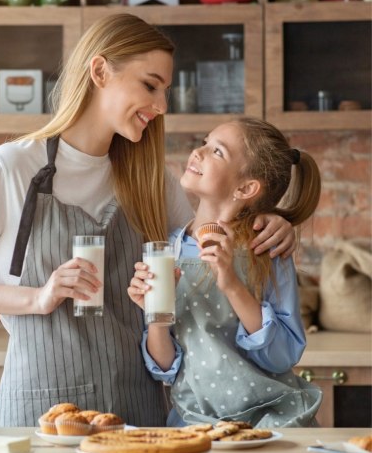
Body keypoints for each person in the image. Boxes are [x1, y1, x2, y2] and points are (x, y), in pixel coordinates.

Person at [0, 14, 296, 428]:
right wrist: (37, 297)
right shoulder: (12, 167)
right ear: (100, 71)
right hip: (40, 412)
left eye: (166, 91)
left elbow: (206, 251)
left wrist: (269, 221)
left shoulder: (152, 182)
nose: (161, 106)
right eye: (150, 85)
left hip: (135, 414)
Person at [128, 117, 323, 428]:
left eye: (217, 151)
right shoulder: (168, 251)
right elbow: (165, 367)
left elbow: (283, 356)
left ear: (245, 187)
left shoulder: (267, 251)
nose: (198, 152)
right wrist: (154, 315)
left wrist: (231, 283)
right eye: (205, 142)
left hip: (271, 422)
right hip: (195, 422)